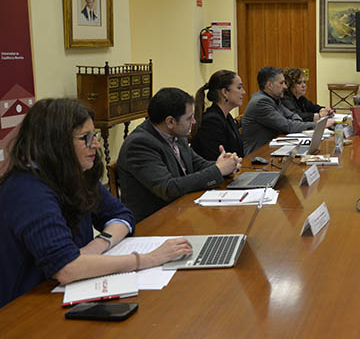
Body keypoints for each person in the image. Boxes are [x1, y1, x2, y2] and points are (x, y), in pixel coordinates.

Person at [0, 98, 192, 308]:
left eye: (95, 136)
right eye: (86, 138)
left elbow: (122, 216)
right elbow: (66, 267)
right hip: (25, 308)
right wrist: (148, 259)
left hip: (65, 294)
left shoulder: (75, 174)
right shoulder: (27, 189)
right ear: (56, 142)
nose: (96, 145)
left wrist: (96, 246)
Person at [118, 87, 241, 221]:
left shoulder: (177, 134)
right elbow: (168, 188)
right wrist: (218, 170)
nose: (193, 122)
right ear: (170, 121)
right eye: (189, 118)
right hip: (154, 223)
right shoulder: (139, 144)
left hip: (181, 211)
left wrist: (227, 165)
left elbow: (197, 164)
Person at [241, 66, 316, 155]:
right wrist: (317, 126)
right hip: (258, 155)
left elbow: (292, 116)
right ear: (269, 85)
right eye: (281, 83)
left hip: (273, 149)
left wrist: (295, 122)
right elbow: (287, 126)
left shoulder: (274, 99)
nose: (285, 86)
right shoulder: (261, 102)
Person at [191, 70, 246, 161]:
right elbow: (214, 160)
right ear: (225, 92)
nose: (243, 92)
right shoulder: (211, 122)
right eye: (239, 88)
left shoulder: (227, 117)